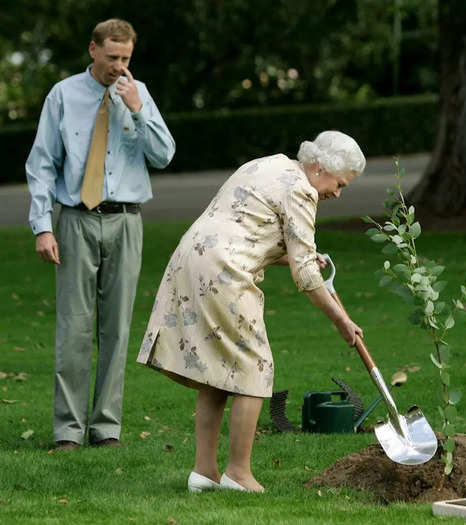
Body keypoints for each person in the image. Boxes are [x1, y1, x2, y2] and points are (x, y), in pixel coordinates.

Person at [137, 130, 365, 492]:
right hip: (223, 272)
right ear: (319, 167)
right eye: (339, 184)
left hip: (190, 257)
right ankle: (238, 474)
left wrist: (297, 255)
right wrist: (342, 320)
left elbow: (248, 228)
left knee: (218, 370)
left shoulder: (268, 164)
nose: (337, 193)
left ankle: (204, 473)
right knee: (256, 367)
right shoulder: (302, 191)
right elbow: (304, 274)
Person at [25, 19, 176, 451]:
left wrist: (138, 109)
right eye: (112, 57)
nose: (119, 66)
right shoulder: (63, 95)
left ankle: (106, 427)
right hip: (75, 219)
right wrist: (42, 226)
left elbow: (164, 155)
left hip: (127, 221)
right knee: (73, 328)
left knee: (117, 329)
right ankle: (67, 431)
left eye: (126, 58)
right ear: (93, 50)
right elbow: (41, 166)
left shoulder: (137, 93)